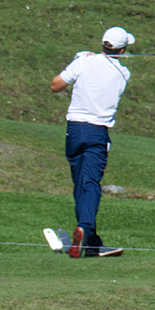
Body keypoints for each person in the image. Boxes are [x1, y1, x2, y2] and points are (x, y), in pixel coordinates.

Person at [50, 26, 135, 258]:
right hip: (97, 133)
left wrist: (78, 60)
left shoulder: (83, 62)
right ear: (123, 49)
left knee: (80, 183)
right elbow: (107, 67)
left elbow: (55, 85)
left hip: (74, 130)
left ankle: (91, 240)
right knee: (90, 184)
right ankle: (85, 230)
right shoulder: (123, 74)